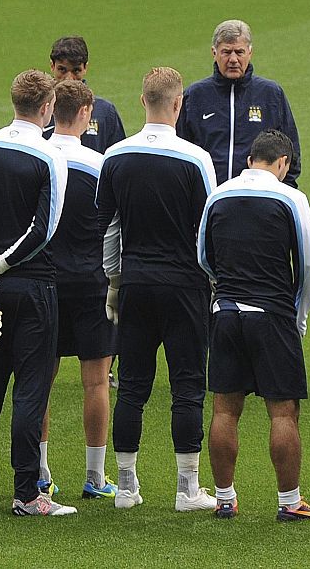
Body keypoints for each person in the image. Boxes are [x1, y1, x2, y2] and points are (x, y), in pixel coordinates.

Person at [0, 69, 75, 516]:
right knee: (30, 392)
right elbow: (43, 229)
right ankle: (26, 494)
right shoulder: (49, 156)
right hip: (32, 286)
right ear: (47, 108)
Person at [97, 68, 218, 513]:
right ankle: (188, 488)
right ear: (178, 103)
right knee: (187, 385)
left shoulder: (115, 155)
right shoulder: (195, 158)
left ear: (142, 100)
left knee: (131, 386)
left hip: (136, 283)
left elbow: (109, 228)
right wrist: (210, 278)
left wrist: (114, 279)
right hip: (184, 284)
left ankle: (126, 485)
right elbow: (207, 228)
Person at [199, 130, 310, 521]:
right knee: (283, 413)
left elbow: (203, 256)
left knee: (224, 410)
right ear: (283, 162)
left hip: (226, 312)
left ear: (251, 158)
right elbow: (308, 267)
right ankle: (289, 502)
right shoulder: (291, 197)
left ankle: (223, 499)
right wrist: (297, 319)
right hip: (271, 315)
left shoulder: (219, 193)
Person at [38, 80, 118, 500]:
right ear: (86, 114)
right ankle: (95, 476)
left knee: (40, 381)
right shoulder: (100, 164)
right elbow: (111, 227)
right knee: (97, 383)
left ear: (51, 111)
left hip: (45, 281)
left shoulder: (37, 157)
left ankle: (41, 472)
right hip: (91, 282)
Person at [178, 19, 302, 187]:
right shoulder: (195, 96)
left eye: (239, 52)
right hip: (208, 199)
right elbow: (180, 152)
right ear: (214, 53)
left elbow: (290, 153)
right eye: (226, 52)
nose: (233, 59)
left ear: (250, 53)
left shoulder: (271, 94)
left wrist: (278, 194)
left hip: (257, 199)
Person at [48, 35, 127, 152]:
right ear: (52, 66)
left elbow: (117, 158)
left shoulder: (104, 111)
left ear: (85, 68)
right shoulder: (39, 108)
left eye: (76, 70)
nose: (69, 78)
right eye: (62, 70)